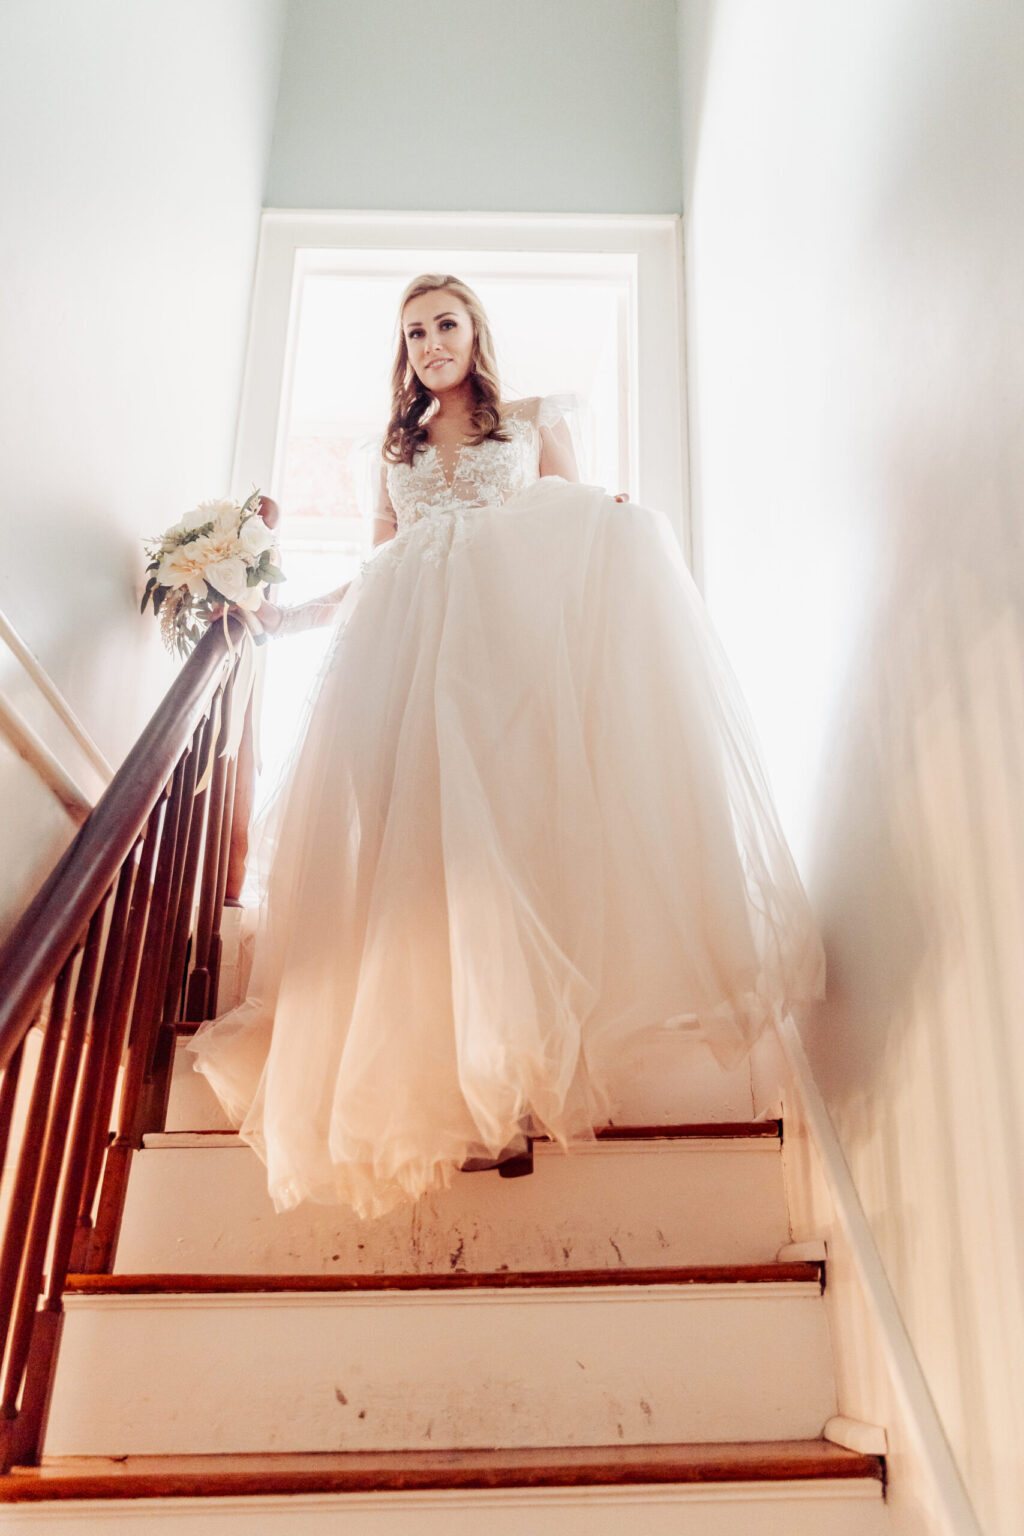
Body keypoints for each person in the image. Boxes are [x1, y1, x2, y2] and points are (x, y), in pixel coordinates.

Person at [188, 273, 824, 1221]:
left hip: (502, 675)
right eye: (413, 333)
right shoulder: (394, 451)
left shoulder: (529, 421)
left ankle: (516, 1093)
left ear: (476, 331)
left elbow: (568, 535)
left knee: (504, 864)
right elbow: (376, 571)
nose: (430, 343)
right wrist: (284, 617)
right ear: (402, 353)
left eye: (445, 323)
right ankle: (451, 1093)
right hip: (400, 678)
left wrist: (614, 521)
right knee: (422, 879)